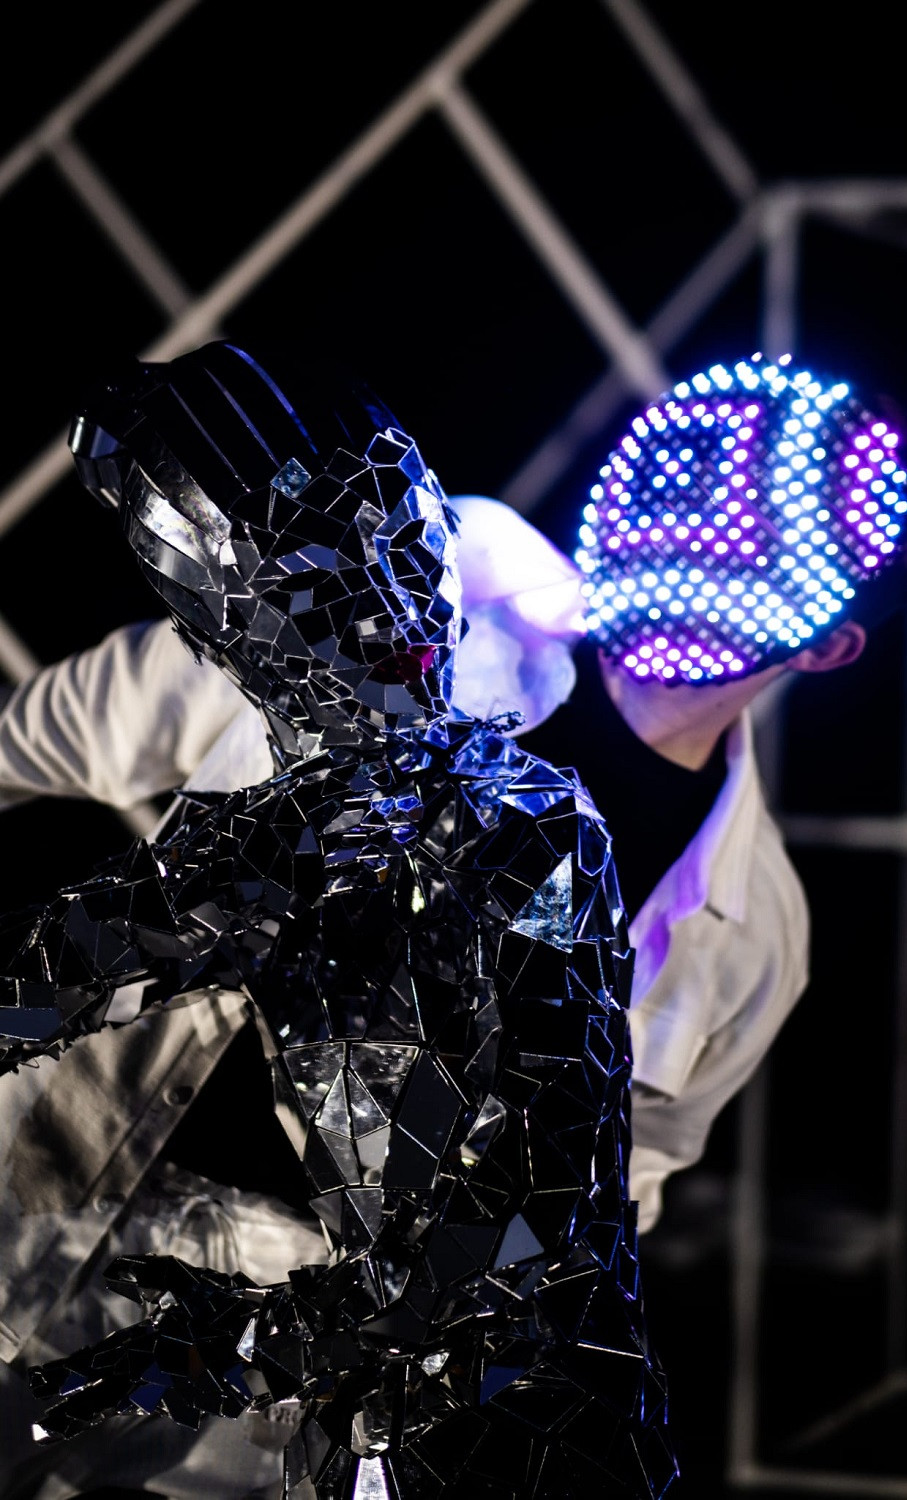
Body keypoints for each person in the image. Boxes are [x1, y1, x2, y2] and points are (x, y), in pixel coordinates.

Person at [1, 341, 678, 1498]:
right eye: (332, 572)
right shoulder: (483, 821)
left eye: (401, 547)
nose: (386, 604)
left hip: (496, 1434)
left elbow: (516, 1238)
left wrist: (242, 1343)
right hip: (472, 1420)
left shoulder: (386, 836)